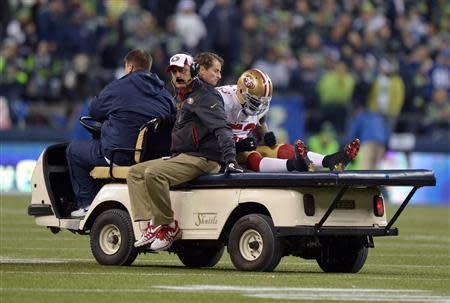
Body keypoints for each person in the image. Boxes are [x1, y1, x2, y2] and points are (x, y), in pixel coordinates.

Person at [127, 52, 242, 251]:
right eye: (173, 71)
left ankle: (168, 226)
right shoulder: (183, 96)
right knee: (135, 173)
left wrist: (230, 159)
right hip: (186, 156)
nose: (177, 75)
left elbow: (222, 128)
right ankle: (152, 225)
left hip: (204, 158)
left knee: (154, 174)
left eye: (182, 70)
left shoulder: (206, 95)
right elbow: (187, 121)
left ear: (194, 71)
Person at [67, 49, 176, 217]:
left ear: (130, 67)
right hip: (152, 158)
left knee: (73, 150)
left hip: (121, 155)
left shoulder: (118, 87)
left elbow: (94, 111)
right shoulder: (164, 93)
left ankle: (87, 204)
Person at [216, 68, 361, 172]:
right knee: (253, 156)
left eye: (263, 102)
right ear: (241, 92)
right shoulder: (221, 101)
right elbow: (206, 139)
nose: (259, 106)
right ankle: (294, 165)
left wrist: (265, 136)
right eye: (255, 102)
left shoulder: (258, 105)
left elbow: (260, 128)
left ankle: (329, 160)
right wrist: (239, 146)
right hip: (221, 153)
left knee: (284, 149)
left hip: (239, 149)